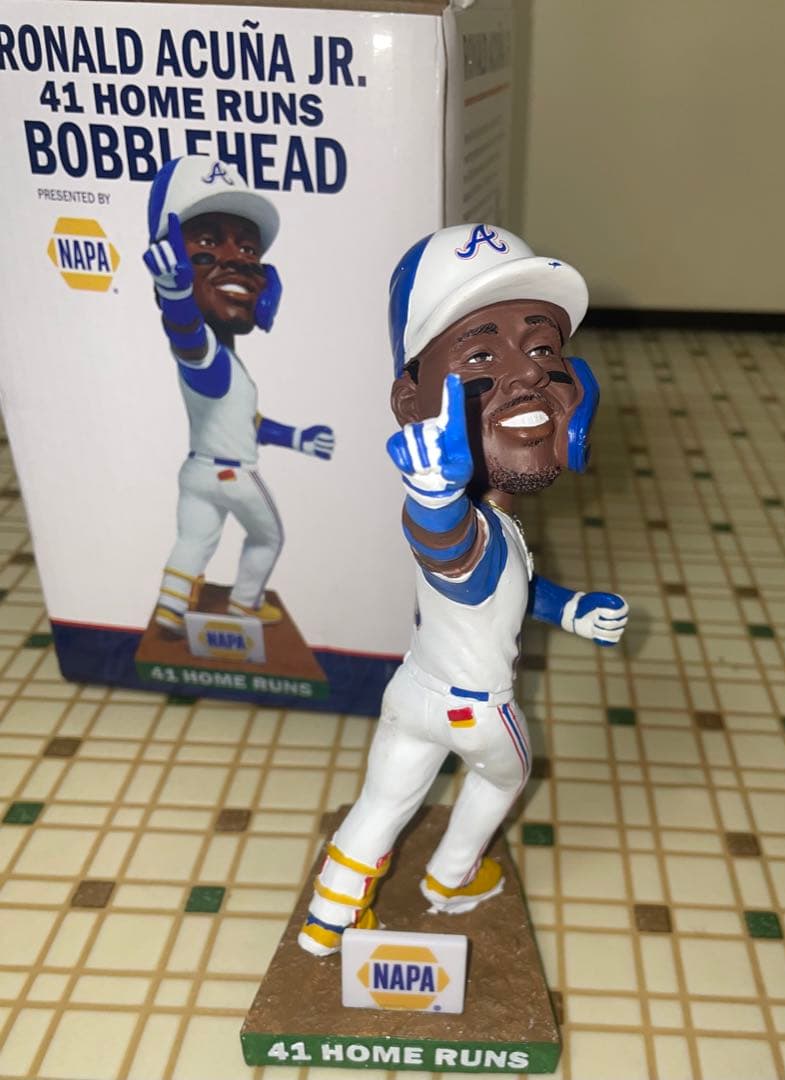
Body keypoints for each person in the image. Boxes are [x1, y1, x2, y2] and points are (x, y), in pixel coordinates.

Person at [298, 223, 628, 957]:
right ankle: (451, 877)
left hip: (411, 693)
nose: (529, 376)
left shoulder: (496, 524)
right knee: (505, 780)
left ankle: (328, 919)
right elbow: (447, 550)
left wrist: (571, 609)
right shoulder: (463, 523)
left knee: (383, 803)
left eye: (542, 349)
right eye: (480, 355)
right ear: (411, 401)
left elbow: (506, 589)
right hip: (476, 709)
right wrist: (432, 497)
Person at [142, 156, 334, 633]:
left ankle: (169, 611)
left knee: (193, 541)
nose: (240, 259)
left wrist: (297, 438)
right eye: (207, 243)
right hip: (232, 473)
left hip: (196, 472)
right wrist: (176, 299)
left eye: (250, 248)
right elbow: (187, 340)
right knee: (268, 538)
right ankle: (244, 604)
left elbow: (247, 422)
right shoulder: (207, 352)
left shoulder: (227, 360)